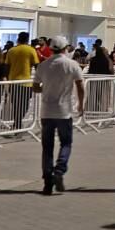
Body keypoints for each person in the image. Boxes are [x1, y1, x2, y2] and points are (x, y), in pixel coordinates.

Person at [32, 35, 85, 195]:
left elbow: (35, 87)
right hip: (64, 111)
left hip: (46, 111)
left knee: (47, 148)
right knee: (66, 143)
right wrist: (81, 105)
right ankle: (59, 170)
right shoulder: (72, 65)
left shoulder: (43, 65)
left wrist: (46, 89)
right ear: (65, 48)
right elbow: (80, 86)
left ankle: (47, 182)